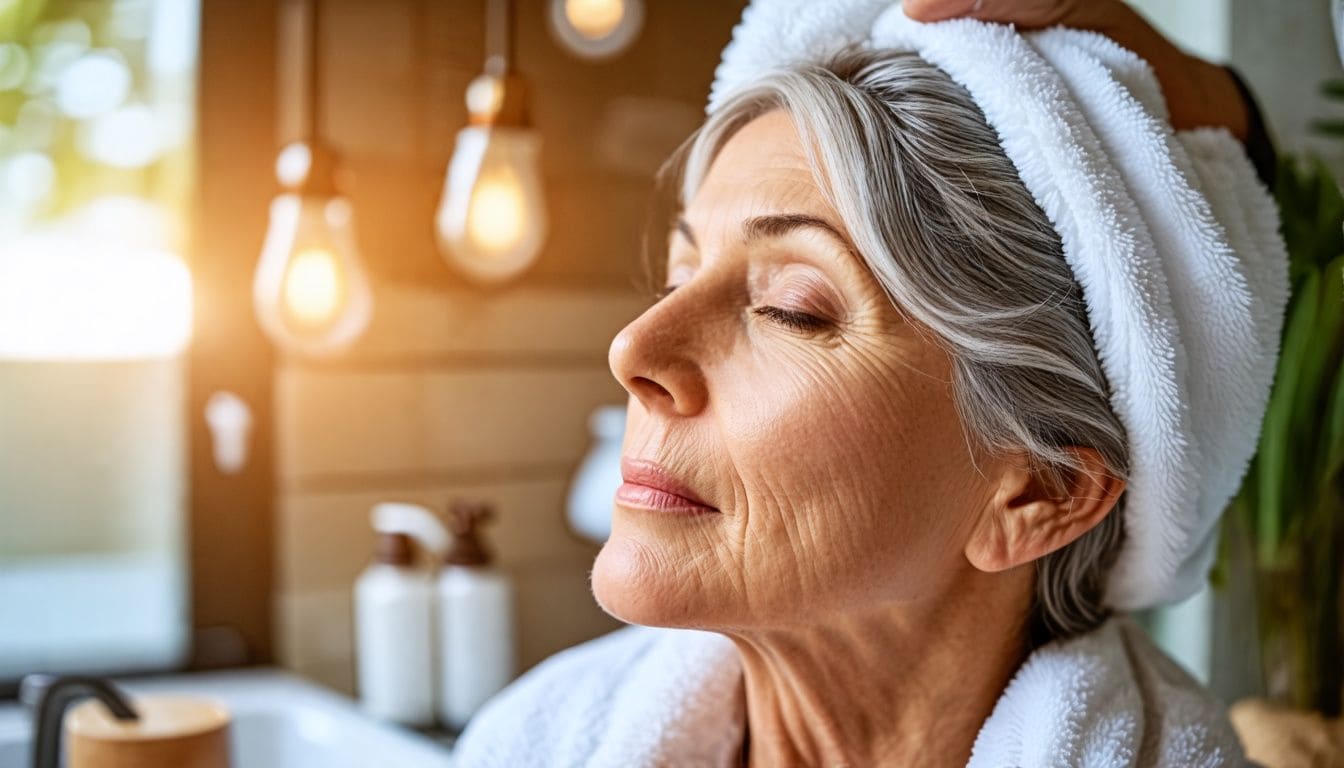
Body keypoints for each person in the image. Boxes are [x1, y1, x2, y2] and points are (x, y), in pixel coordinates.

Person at [453, 1, 1286, 765]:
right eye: (678, 278)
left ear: (1043, 491)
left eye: (793, 308)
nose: (634, 348)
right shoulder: (534, 741)